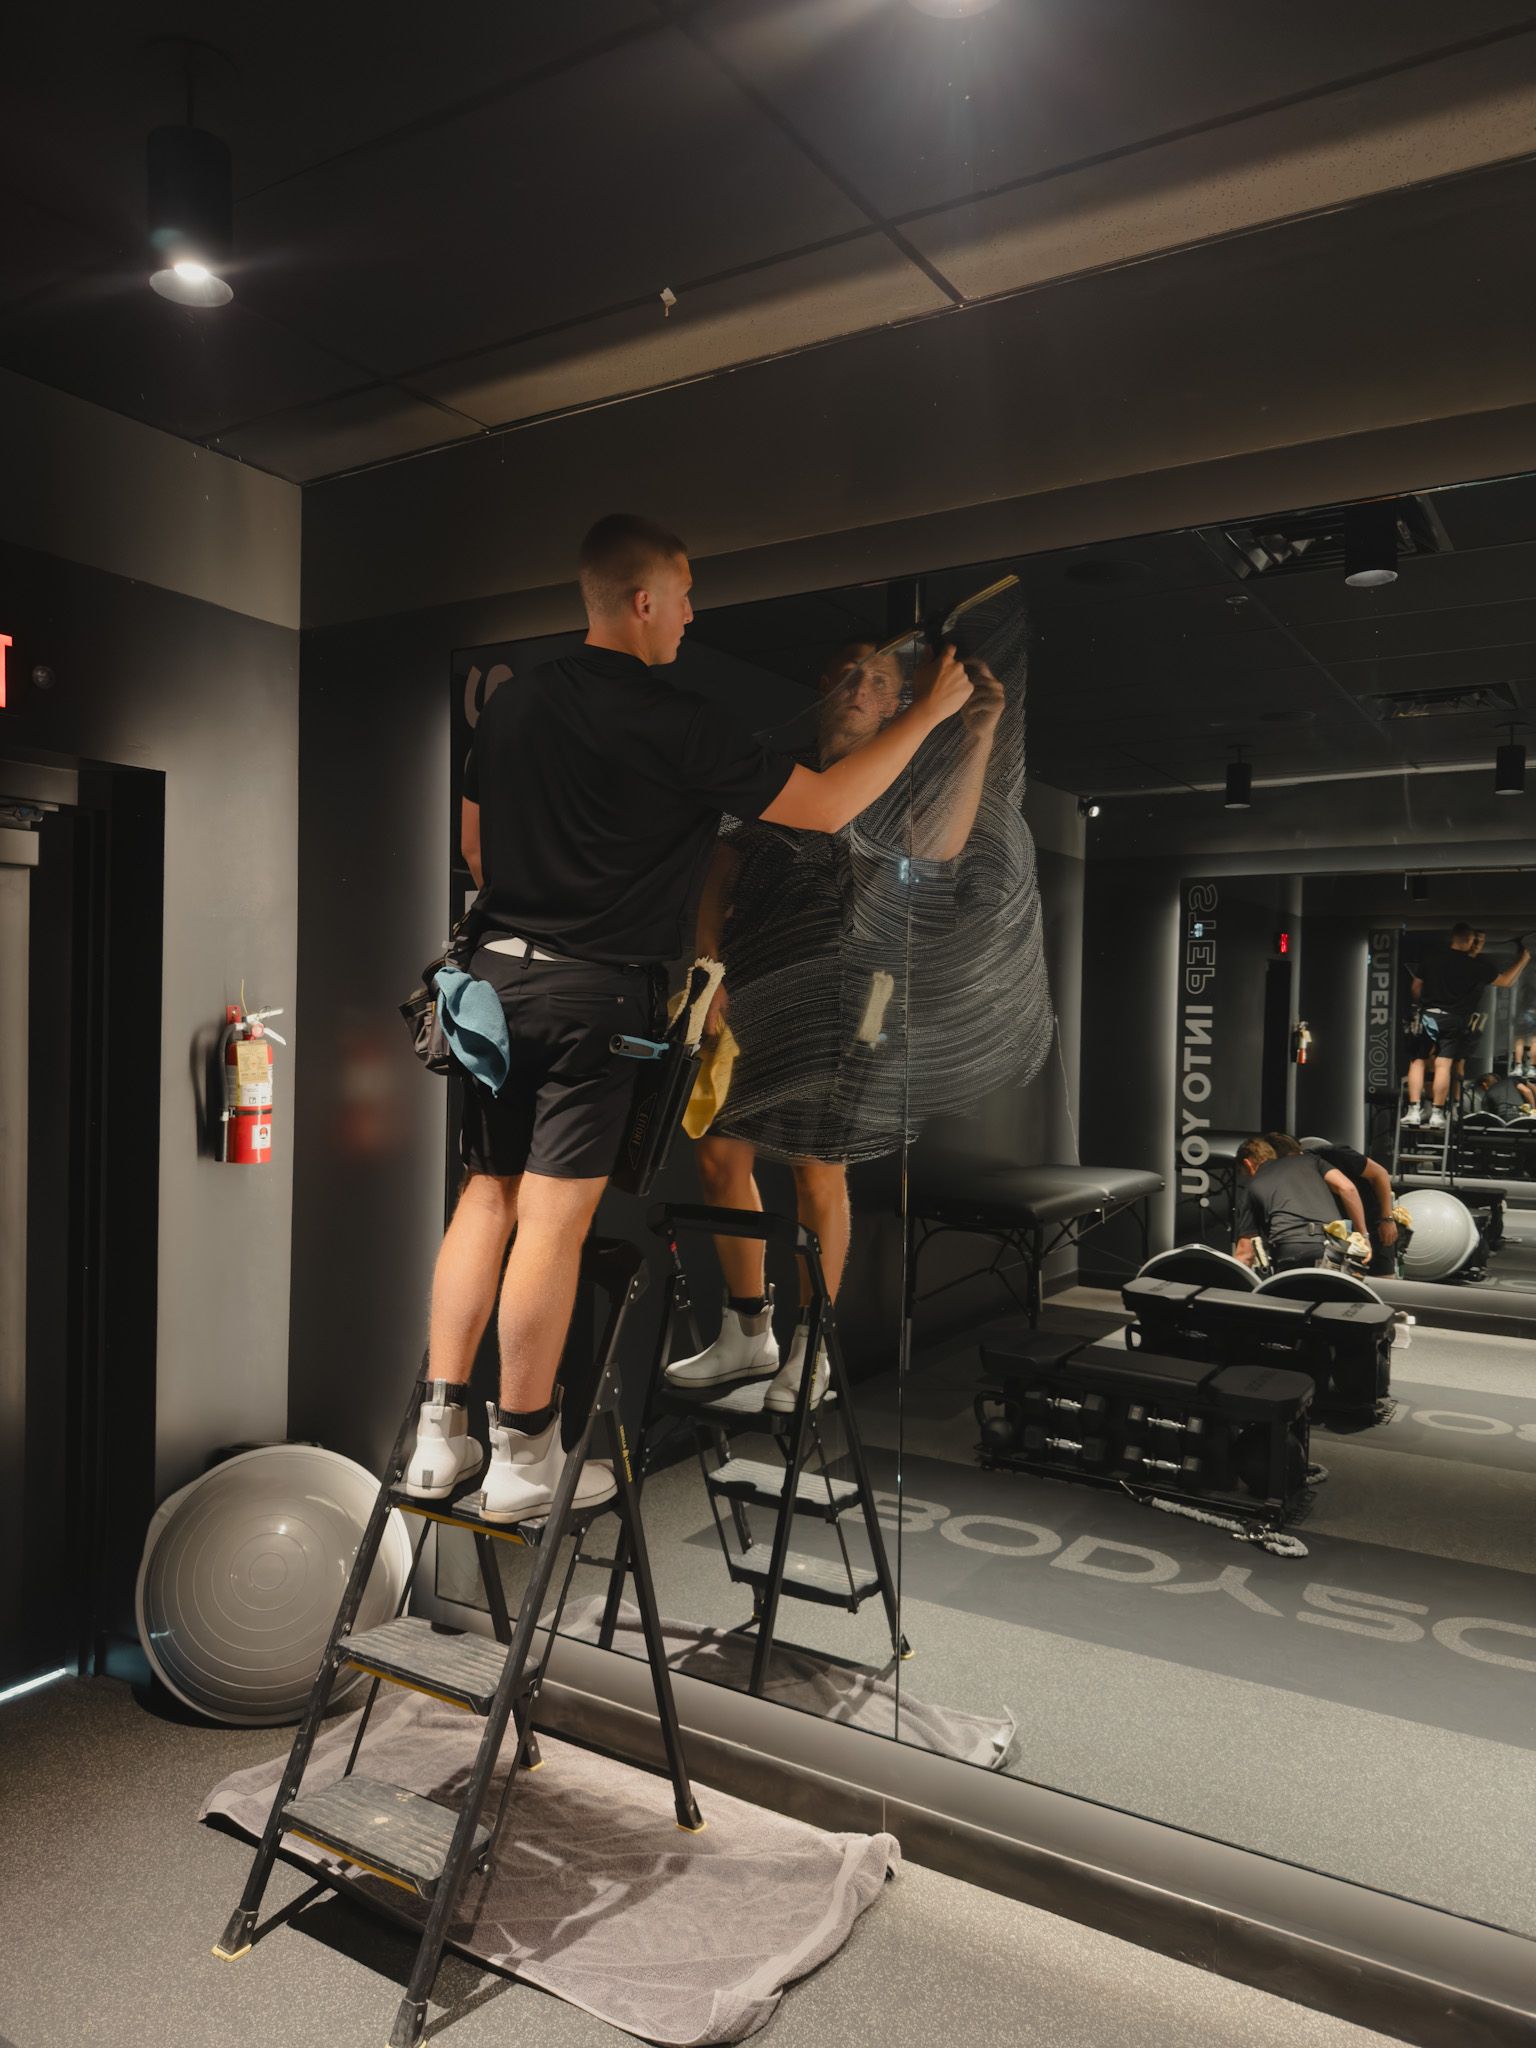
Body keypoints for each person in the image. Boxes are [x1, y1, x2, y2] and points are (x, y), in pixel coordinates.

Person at [404, 514, 974, 1520]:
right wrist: (930, 717)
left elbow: (477, 847)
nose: (692, 612)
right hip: (594, 994)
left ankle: (438, 1442)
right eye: (685, 594)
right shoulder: (679, 719)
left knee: (483, 1198)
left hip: (491, 986)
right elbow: (830, 804)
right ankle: (524, 1457)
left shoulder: (515, 705)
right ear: (642, 601)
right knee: (550, 1218)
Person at [664, 639, 1008, 1408]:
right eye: (851, 673)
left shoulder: (904, 775)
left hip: (854, 996)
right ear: (825, 685)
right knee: (720, 1159)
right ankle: (749, 1331)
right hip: (751, 987)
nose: (862, 687)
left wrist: (978, 735)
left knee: (818, 1167)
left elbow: (943, 849)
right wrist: (708, 962)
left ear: (896, 704)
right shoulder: (775, 769)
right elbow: (721, 869)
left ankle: (814, 1338)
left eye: (880, 681)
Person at [1402, 925, 1529, 1130]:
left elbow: (1416, 986)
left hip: (1429, 1016)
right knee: (1444, 1066)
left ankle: (1414, 1111)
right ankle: (1437, 1113)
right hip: (1454, 1019)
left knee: (1417, 1062)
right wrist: (1523, 959)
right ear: (1470, 942)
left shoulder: (1432, 958)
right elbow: (1506, 981)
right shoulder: (1476, 967)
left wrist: (1423, 1005)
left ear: (1452, 938)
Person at [1265, 1133, 1398, 1275]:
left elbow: (1380, 1174)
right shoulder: (1290, 1177)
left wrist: (1387, 1219)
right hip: (1339, 1237)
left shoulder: (1332, 1154)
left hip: (1373, 1227)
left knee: (1383, 1283)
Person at [1232, 1137, 1369, 1273]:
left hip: (1290, 1247)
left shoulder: (1253, 1184)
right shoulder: (1310, 1160)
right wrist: (1363, 1237)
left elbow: (1245, 1254)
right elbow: (1347, 1188)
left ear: (1248, 1163)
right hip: (1334, 1246)